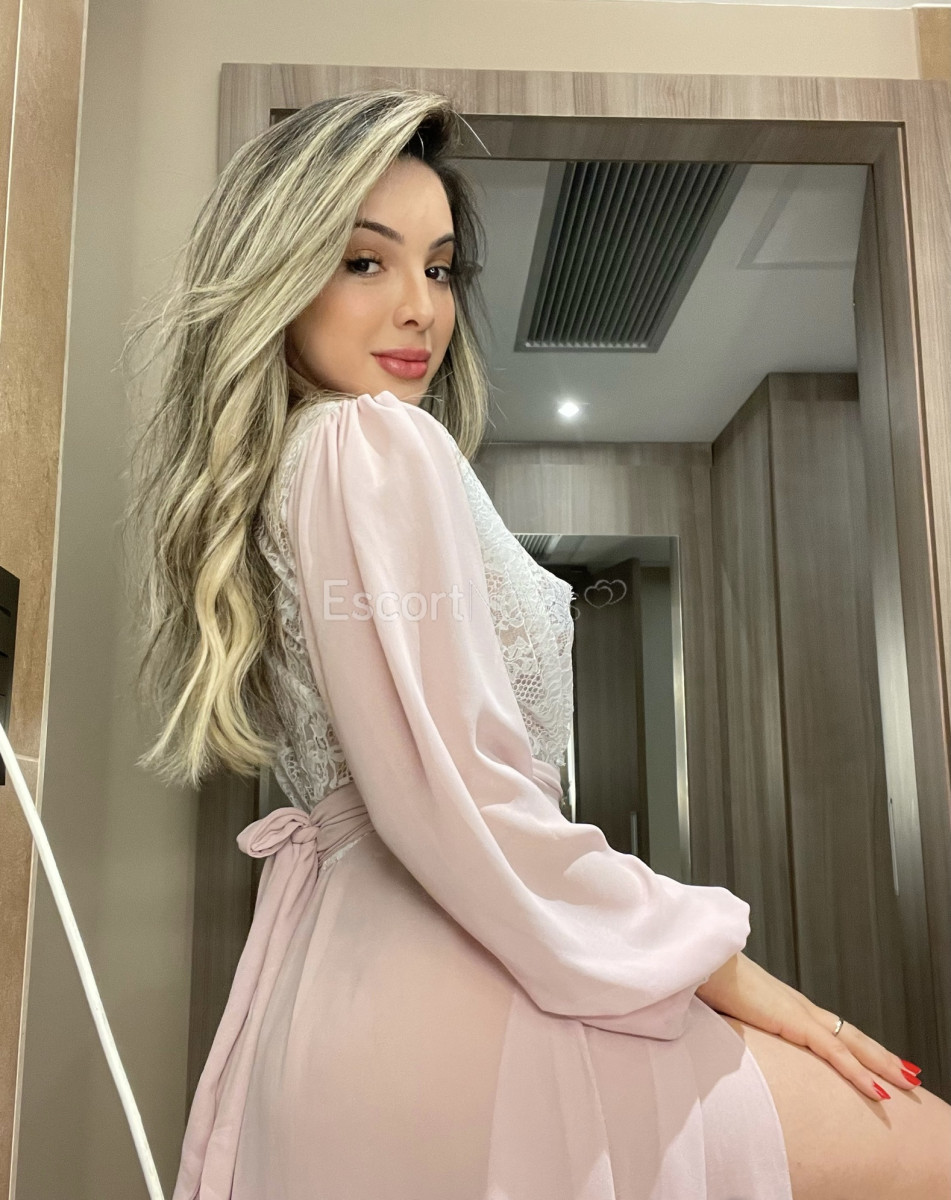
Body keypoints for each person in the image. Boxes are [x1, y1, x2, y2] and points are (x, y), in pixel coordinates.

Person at [120, 86, 951, 1200]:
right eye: (365, 262)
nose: (419, 307)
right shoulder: (370, 443)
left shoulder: (304, 460)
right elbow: (471, 800)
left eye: (439, 268)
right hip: (464, 985)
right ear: (279, 270)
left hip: (348, 988)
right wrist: (731, 974)